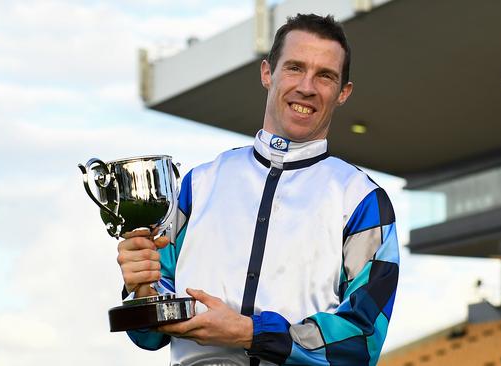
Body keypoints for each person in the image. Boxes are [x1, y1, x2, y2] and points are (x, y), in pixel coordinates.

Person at [117, 13, 399, 365]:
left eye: (325, 76)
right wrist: (142, 289)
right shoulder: (197, 185)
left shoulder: (363, 201)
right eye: (295, 68)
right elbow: (148, 334)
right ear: (268, 73)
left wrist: (250, 333)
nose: (307, 87)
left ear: (343, 93)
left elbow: (364, 337)